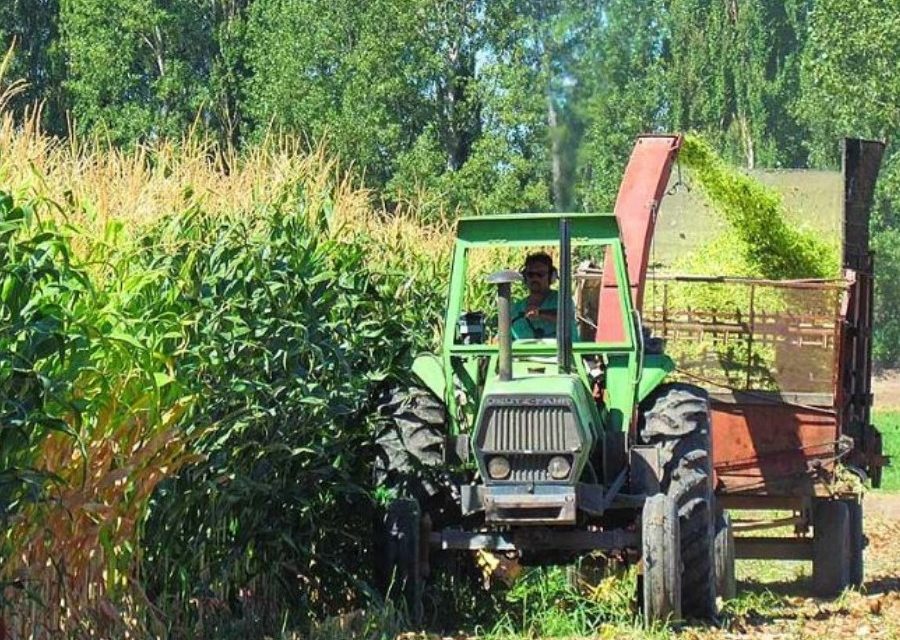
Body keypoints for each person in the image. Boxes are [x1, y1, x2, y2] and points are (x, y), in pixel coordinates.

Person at [511, 252, 575, 340]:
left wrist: (541, 314)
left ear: (551, 277)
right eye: (530, 274)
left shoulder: (562, 300)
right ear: (524, 277)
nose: (535, 278)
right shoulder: (516, 308)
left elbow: (567, 318)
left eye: (540, 274)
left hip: (562, 353)